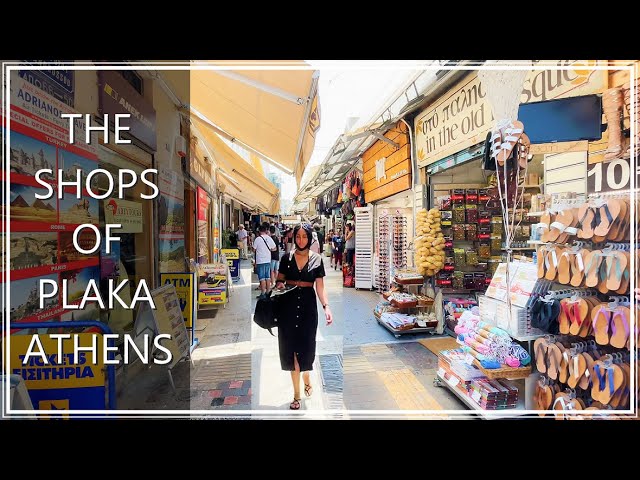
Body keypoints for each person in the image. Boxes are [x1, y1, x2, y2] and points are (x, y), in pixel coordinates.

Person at [274, 224, 333, 410]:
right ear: (294, 238)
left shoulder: (317, 260)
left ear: (309, 238)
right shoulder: (286, 258)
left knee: (306, 349)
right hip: (288, 309)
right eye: (297, 237)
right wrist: (280, 286)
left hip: (308, 310)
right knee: (291, 351)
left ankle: (306, 375)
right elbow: (279, 281)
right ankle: (296, 395)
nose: (301, 241)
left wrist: (326, 307)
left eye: (304, 237)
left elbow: (320, 287)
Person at [253, 223, 277, 298]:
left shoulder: (257, 239)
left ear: (259, 231)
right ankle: (268, 292)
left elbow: (254, 249)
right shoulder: (269, 238)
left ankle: (263, 293)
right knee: (267, 277)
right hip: (267, 260)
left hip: (260, 260)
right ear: (266, 230)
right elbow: (274, 248)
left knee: (262, 277)